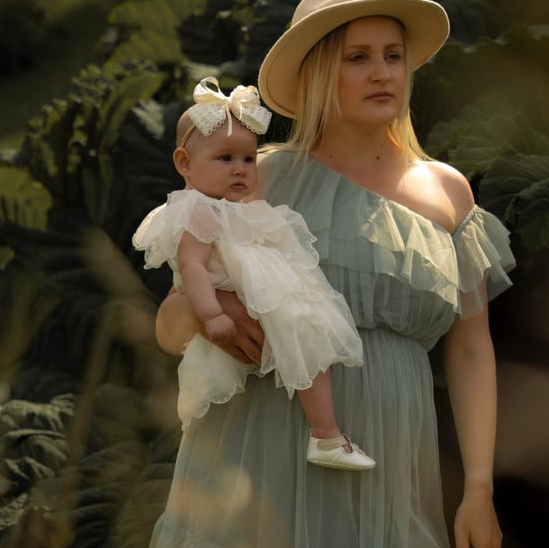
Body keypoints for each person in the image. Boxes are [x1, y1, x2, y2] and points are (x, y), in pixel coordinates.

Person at [141, 0, 515, 548]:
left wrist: (478, 485)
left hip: (395, 484)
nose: (382, 72)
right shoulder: (261, 177)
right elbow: (169, 326)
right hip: (267, 470)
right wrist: (206, 314)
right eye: (358, 56)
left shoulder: (446, 193)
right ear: (319, 73)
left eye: (393, 55)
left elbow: (471, 352)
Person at [133, 76, 374, 471]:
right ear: (184, 164)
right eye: (225, 159)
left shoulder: (238, 209)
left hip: (260, 297)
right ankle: (326, 434)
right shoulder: (198, 209)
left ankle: (325, 433)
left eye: (248, 159)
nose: (241, 169)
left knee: (310, 335)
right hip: (232, 307)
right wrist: (211, 315)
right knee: (302, 333)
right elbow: (192, 267)